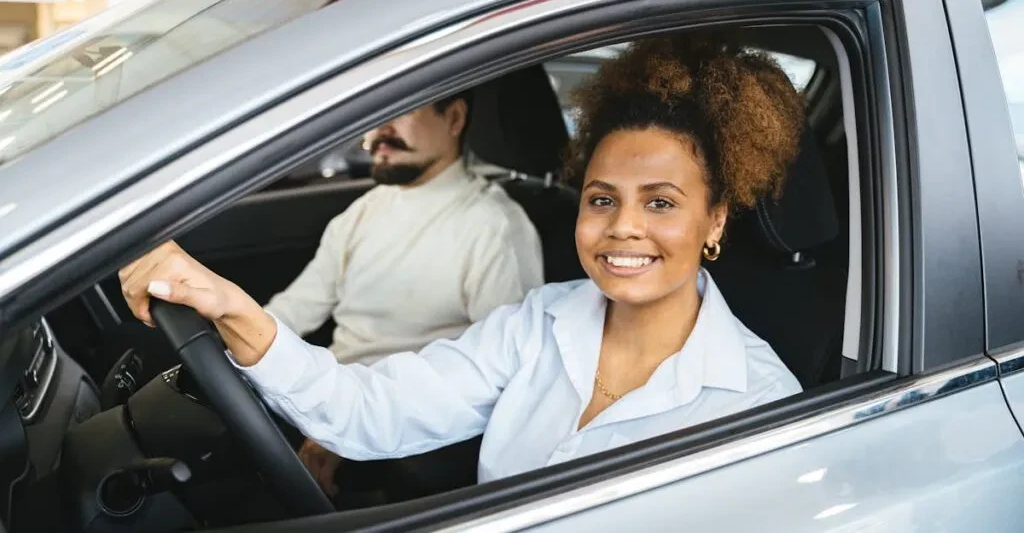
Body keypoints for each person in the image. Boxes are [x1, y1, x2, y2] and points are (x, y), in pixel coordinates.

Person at [118, 34, 804, 494]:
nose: (623, 225)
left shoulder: (760, 403)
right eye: (602, 198)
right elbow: (370, 407)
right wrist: (231, 306)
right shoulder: (537, 325)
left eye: (660, 203)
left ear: (715, 220)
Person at [265, 92, 543, 366]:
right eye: (374, 112)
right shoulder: (366, 209)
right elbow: (298, 306)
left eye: (402, 109)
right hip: (335, 388)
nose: (381, 130)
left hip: (412, 406)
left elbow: (505, 362)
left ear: (454, 119)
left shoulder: (494, 226)